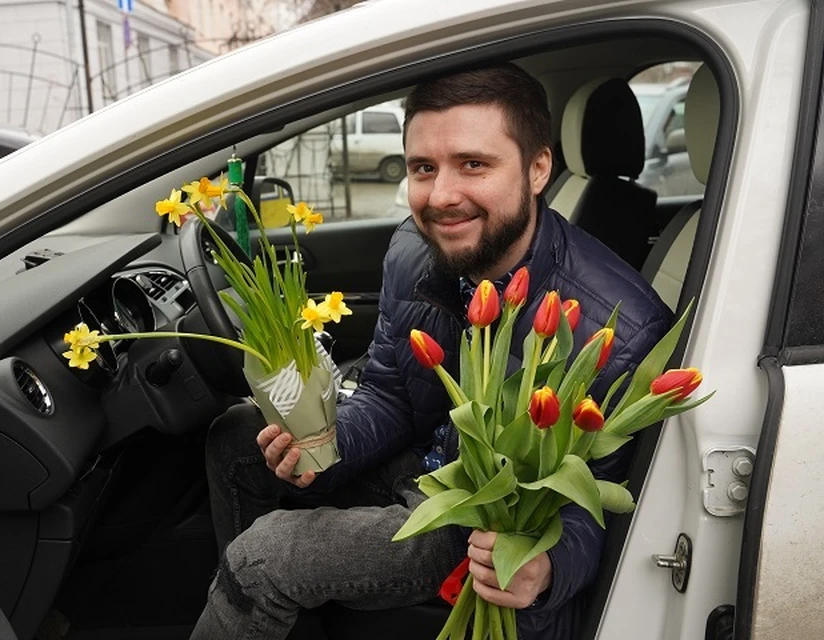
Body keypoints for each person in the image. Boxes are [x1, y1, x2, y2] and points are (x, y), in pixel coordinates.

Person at [192, 63, 673, 640]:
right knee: (235, 438)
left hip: (477, 526)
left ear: (538, 168)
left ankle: (250, 587)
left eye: (473, 164)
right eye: (424, 167)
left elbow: (598, 512)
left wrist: (545, 569)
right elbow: (390, 395)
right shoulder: (413, 249)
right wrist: (321, 449)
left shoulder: (618, 331)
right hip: (422, 464)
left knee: (263, 557)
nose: (441, 196)